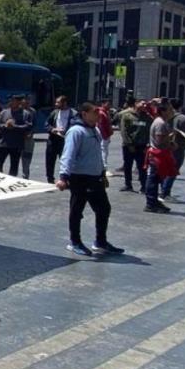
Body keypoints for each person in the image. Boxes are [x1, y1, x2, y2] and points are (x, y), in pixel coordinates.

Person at [56, 102, 124, 256]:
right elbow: (68, 155)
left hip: (95, 178)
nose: (98, 114)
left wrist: (101, 172)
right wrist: (63, 177)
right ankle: (75, 242)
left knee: (104, 209)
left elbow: (97, 154)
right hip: (80, 178)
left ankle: (100, 242)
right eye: (95, 112)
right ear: (84, 114)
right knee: (77, 210)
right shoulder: (76, 131)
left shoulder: (95, 130)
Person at [144, 99, 176, 214]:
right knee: (153, 179)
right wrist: (170, 143)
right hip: (157, 155)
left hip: (159, 154)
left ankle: (154, 201)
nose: (171, 112)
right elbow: (159, 140)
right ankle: (150, 203)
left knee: (156, 179)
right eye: (169, 110)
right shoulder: (160, 123)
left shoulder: (161, 122)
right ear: (163, 111)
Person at [0, 95, 31, 176]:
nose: (11, 102)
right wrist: (5, 126)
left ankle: (12, 181)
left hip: (16, 144)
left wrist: (15, 126)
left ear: (19, 102)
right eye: (11, 100)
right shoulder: (4, 112)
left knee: (14, 165)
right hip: (3, 143)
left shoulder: (25, 114)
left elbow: (28, 126)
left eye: (14, 101)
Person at [118, 97, 149, 192]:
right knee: (128, 166)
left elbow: (149, 131)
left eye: (145, 104)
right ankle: (128, 184)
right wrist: (129, 144)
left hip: (142, 146)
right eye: (142, 103)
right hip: (128, 146)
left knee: (142, 167)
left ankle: (144, 186)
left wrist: (148, 145)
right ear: (136, 103)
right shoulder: (127, 115)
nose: (144, 106)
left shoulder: (147, 117)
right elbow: (124, 131)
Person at [162, 99, 185, 200]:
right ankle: (165, 193)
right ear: (180, 106)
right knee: (173, 170)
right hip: (178, 147)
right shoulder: (182, 118)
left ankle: (163, 190)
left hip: (166, 146)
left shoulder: (166, 116)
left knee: (166, 169)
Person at [45, 95, 74, 183]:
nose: (56, 104)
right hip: (53, 139)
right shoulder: (54, 112)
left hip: (65, 140)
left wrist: (66, 131)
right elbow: (46, 124)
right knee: (50, 160)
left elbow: (75, 125)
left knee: (65, 160)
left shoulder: (73, 113)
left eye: (58, 102)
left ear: (64, 103)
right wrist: (53, 129)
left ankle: (65, 179)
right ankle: (50, 179)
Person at [20, 98, 37, 180]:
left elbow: (34, 124)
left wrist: (31, 133)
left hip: (29, 138)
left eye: (27, 103)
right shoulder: (18, 111)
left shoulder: (32, 111)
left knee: (27, 158)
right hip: (18, 138)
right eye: (24, 103)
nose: (26, 105)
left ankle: (25, 176)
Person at [97, 99, 114, 172]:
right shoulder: (101, 113)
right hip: (103, 136)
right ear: (103, 104)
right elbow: (100, 126)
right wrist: (105, 136)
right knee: (104, 152)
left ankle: (103, 167)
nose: (109, 106)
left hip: (106, 135)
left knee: (105, 152)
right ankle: (104, 168)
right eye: (108, 104)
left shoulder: (106, 112)